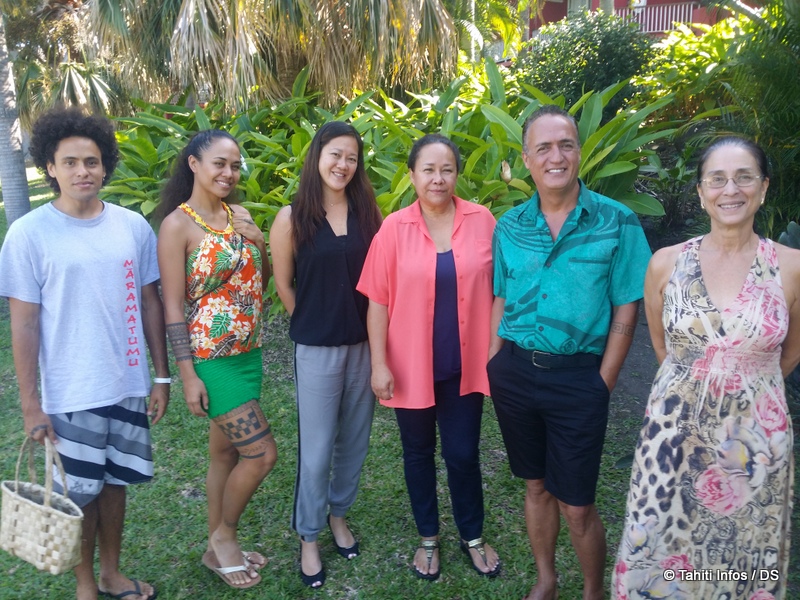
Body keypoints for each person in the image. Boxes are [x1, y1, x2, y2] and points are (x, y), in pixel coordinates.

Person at [612, 137, 800, 600]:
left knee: (736, 563)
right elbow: (663, 347)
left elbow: (790, 353)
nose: (729, 189)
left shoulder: (793, 267)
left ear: (763, 188)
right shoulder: (665, 264)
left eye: (743, 177)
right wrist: (701, 391)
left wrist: (746, 386)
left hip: (754, 449)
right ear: (700, 192)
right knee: (661, 554)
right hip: (674, 440)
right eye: (717, 178)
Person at [0, 107, 168, 600]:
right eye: (69, 162)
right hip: (71, 391)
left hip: (127, 383)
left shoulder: (132, 226)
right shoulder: (28, 234)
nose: (82, 172)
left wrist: (160, 377)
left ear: (105, 165)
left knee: (113, 486)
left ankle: (113, 573)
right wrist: (32, 403)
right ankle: (86, 585)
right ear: (49, 167)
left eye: (91, 161)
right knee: (78, 495)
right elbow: (24, 322)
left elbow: (149, 300)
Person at [487, 104, 652, 600]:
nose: (556, 156)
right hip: (514, 373)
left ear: (579, 151)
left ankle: (593, 591)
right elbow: (501, 293)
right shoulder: (509, 226)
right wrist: (494, 360)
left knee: (577, 504)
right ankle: (546, 579)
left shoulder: (617, 222)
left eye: (566, 144)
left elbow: (628, 304)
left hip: (580, 378)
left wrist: (603, 380)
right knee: (535, 486)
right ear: (526, 159)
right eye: (544, 147)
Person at [357, 133, 501, 581]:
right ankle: (428, 538)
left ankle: (472, 535)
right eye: (428, 170)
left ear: (457, 173)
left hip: (465, 366)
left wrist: (495, 350)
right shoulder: (393, 228)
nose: (438, 179)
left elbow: (500, 291)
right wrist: (379, 363)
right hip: (409, 367)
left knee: (462, 454)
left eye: (447, 169)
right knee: (417, 453)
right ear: (412, 175)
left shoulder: (483, 221)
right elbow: (377, 301)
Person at [156, 130, 277, 590]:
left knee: (224, 452)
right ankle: (226, 536)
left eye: (235, 165)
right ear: (194, 164)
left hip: (249, 352)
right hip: (211, 358)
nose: (229, 173)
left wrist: (258, 240)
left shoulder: (238, 215)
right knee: (262, 454)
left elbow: (258, 284)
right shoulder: (177, 226)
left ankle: (213, 547)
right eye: (219, 163)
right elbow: (172, 307)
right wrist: (186, 375)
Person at [270, 121, 382, 588]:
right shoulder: (291, 217)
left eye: (351, 158)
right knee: (315, 452)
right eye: (335, 154)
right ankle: (309, 535)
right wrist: (313, 322)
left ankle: (339, 515)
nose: (343, 164)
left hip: (364, 347)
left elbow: (380, 284)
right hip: (316, 351)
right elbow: (283, 283)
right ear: (317, 156)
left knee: (354, 443)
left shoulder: (368, 215)